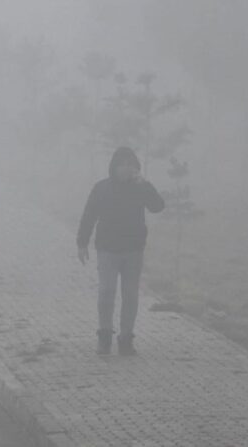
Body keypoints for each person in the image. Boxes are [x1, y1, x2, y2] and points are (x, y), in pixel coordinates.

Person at [76, 146, 165, 355]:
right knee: (106, 291)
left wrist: (146, 185)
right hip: (107, 249)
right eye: (122, 165)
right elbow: (89, 215)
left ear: (135, 168)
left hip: (133, 250)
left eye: (130, 165)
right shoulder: (101, 188)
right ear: (114, 167)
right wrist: (82, 242)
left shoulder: (141, 188)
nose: (126, 168)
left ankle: (126, 338)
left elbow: (158, 206)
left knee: (130, 294)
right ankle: (104, 336)